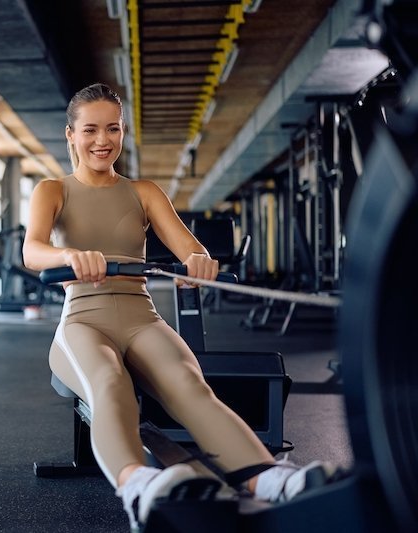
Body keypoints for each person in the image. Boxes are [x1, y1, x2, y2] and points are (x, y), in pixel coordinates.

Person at [22, 83, 335, 531]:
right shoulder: (53, 190)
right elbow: (32, 251)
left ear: (123, 131)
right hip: (83, 321)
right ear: (70, 134)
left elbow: (192, 250)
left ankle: (266, 478)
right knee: (109, 382)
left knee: (190, 385)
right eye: (90, 130)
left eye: (113, 129)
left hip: (142, 317)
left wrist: (199, 263)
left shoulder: (144, 192)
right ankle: (138, 487)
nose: (102, 140)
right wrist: (69, 256)